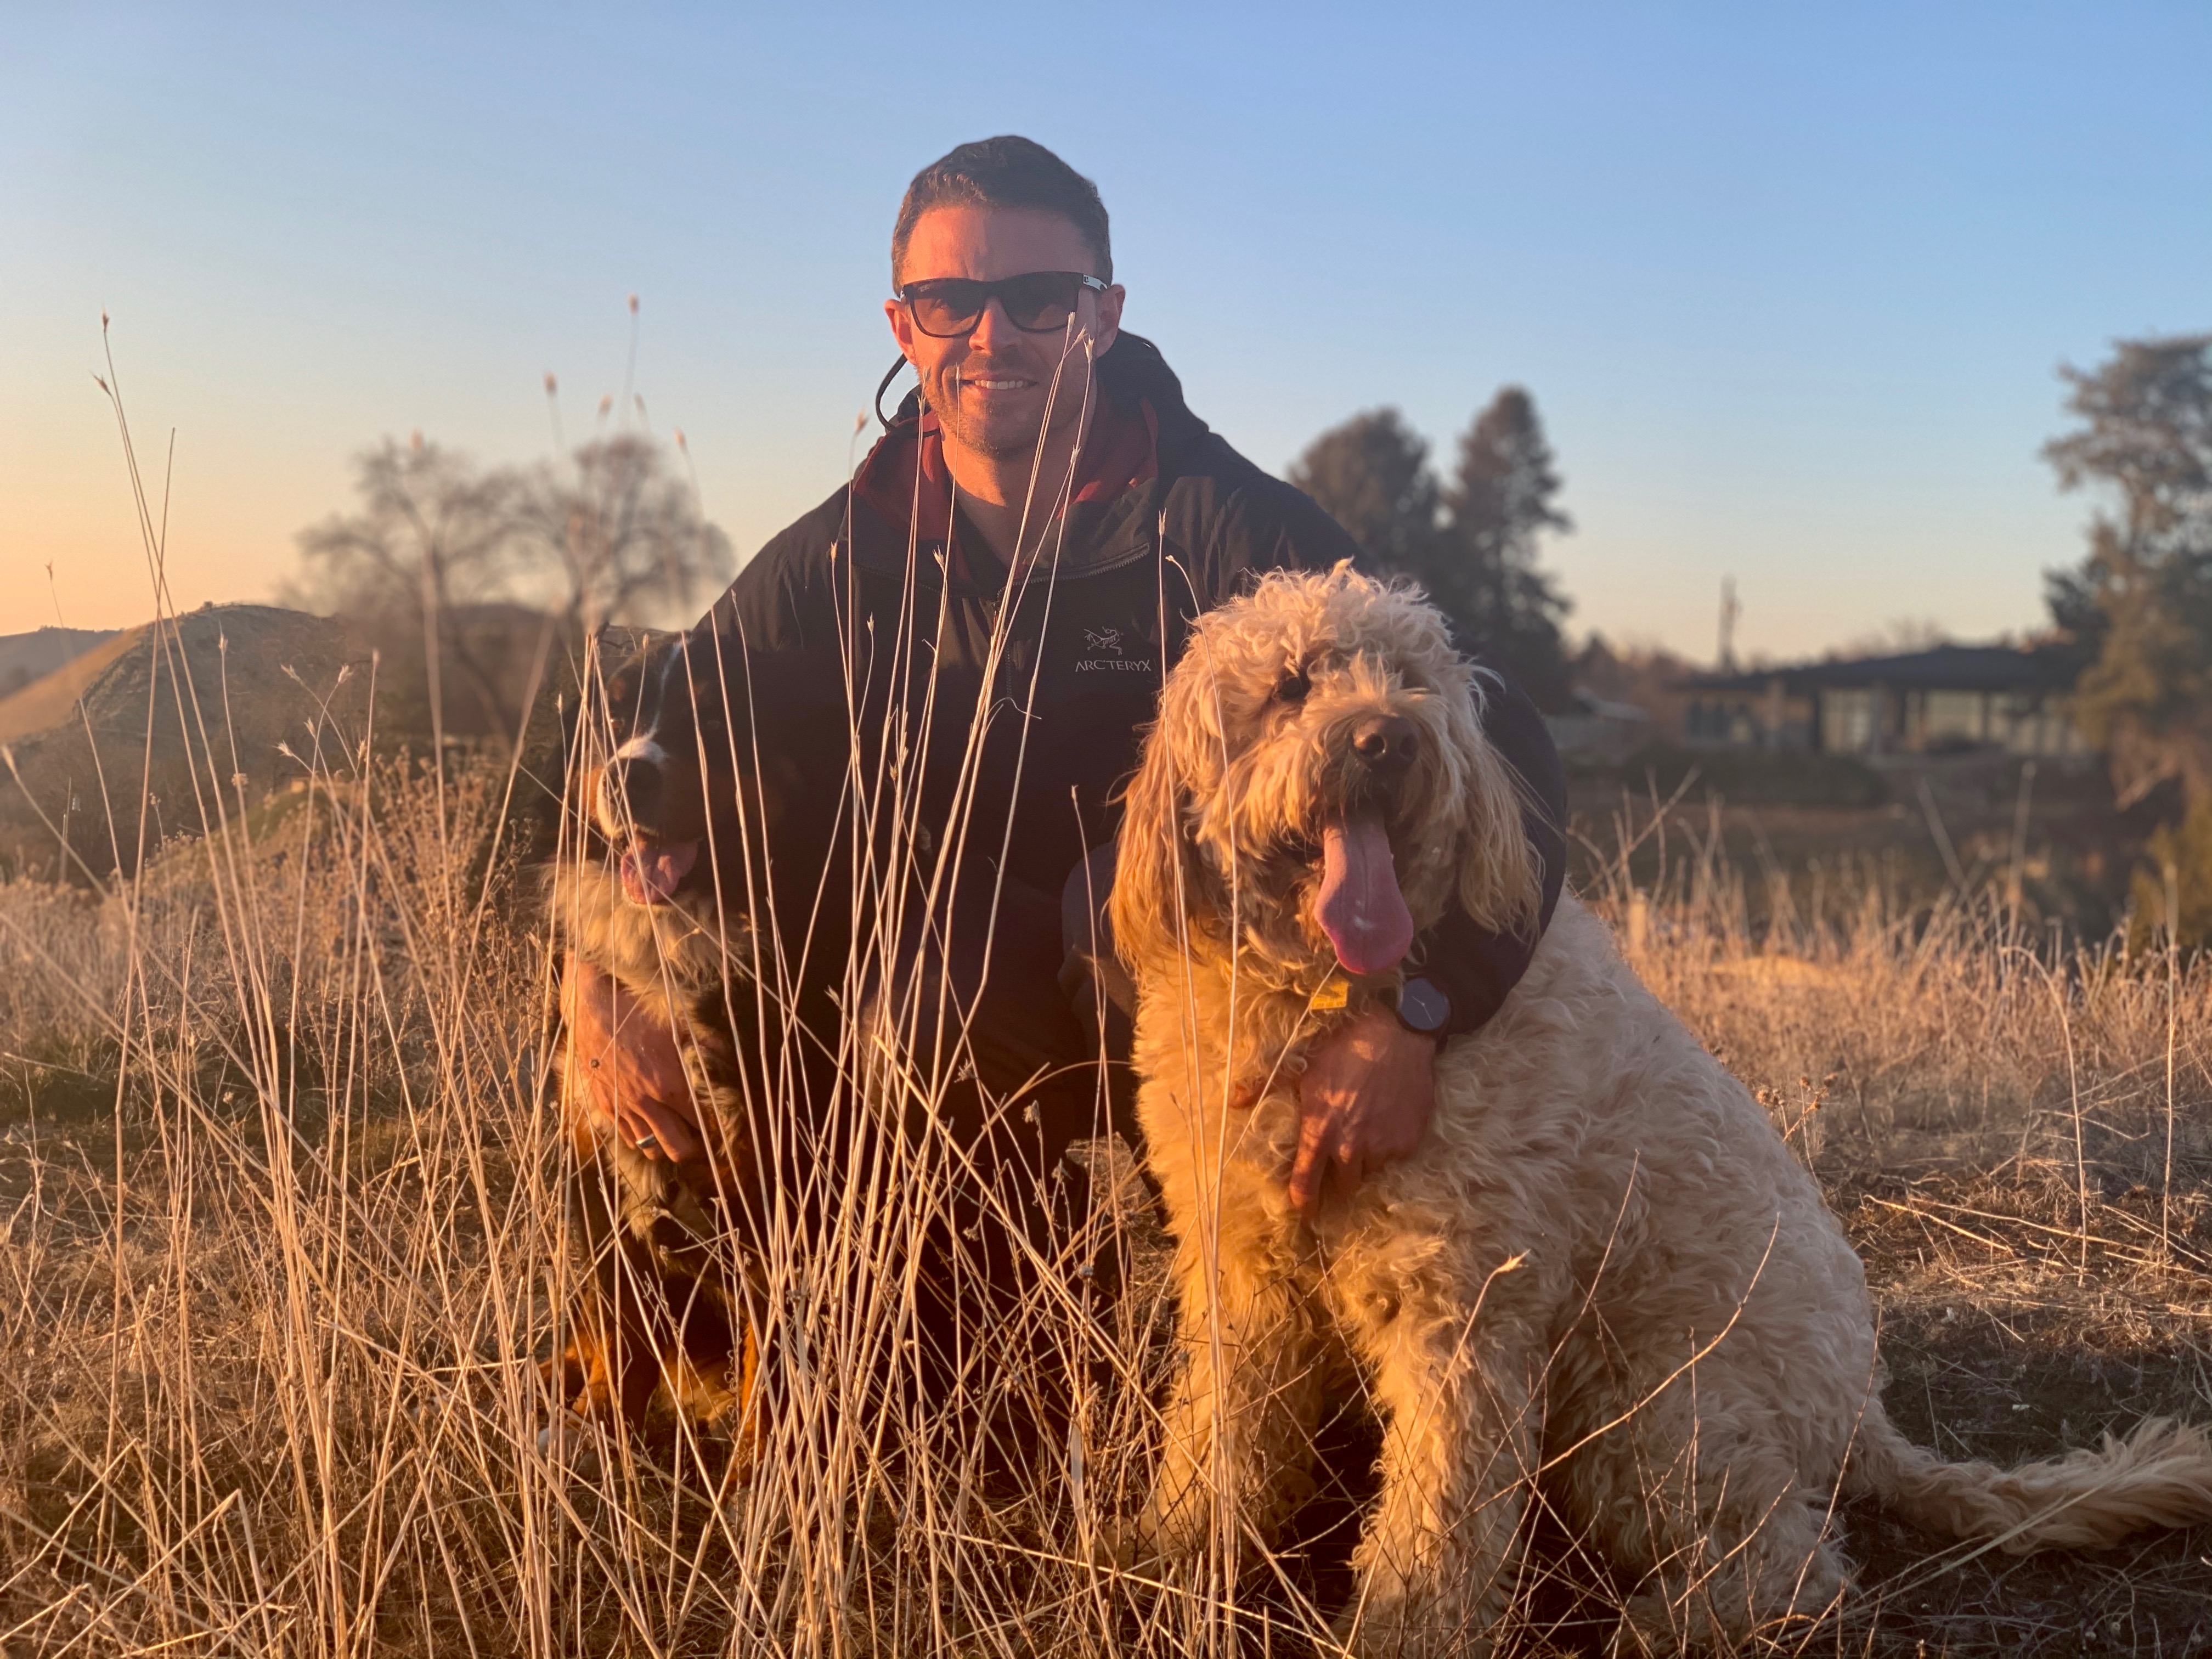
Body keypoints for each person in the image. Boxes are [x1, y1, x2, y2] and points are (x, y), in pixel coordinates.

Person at [563, 134, 1566, 1260]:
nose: (994, 336)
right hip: (960, 1020)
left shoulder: (1229, 528)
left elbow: (1503, 748)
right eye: (950, 301)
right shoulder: (841, 558)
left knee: (1117, 899)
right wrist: (593, 978)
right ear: (904, 325)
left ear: (1102, 315)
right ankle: (995, 1336)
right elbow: (644, 744)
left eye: (1039, 299)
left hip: (1202, 1011)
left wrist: (1418, 1019)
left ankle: (1230, 1294)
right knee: (921, 957)